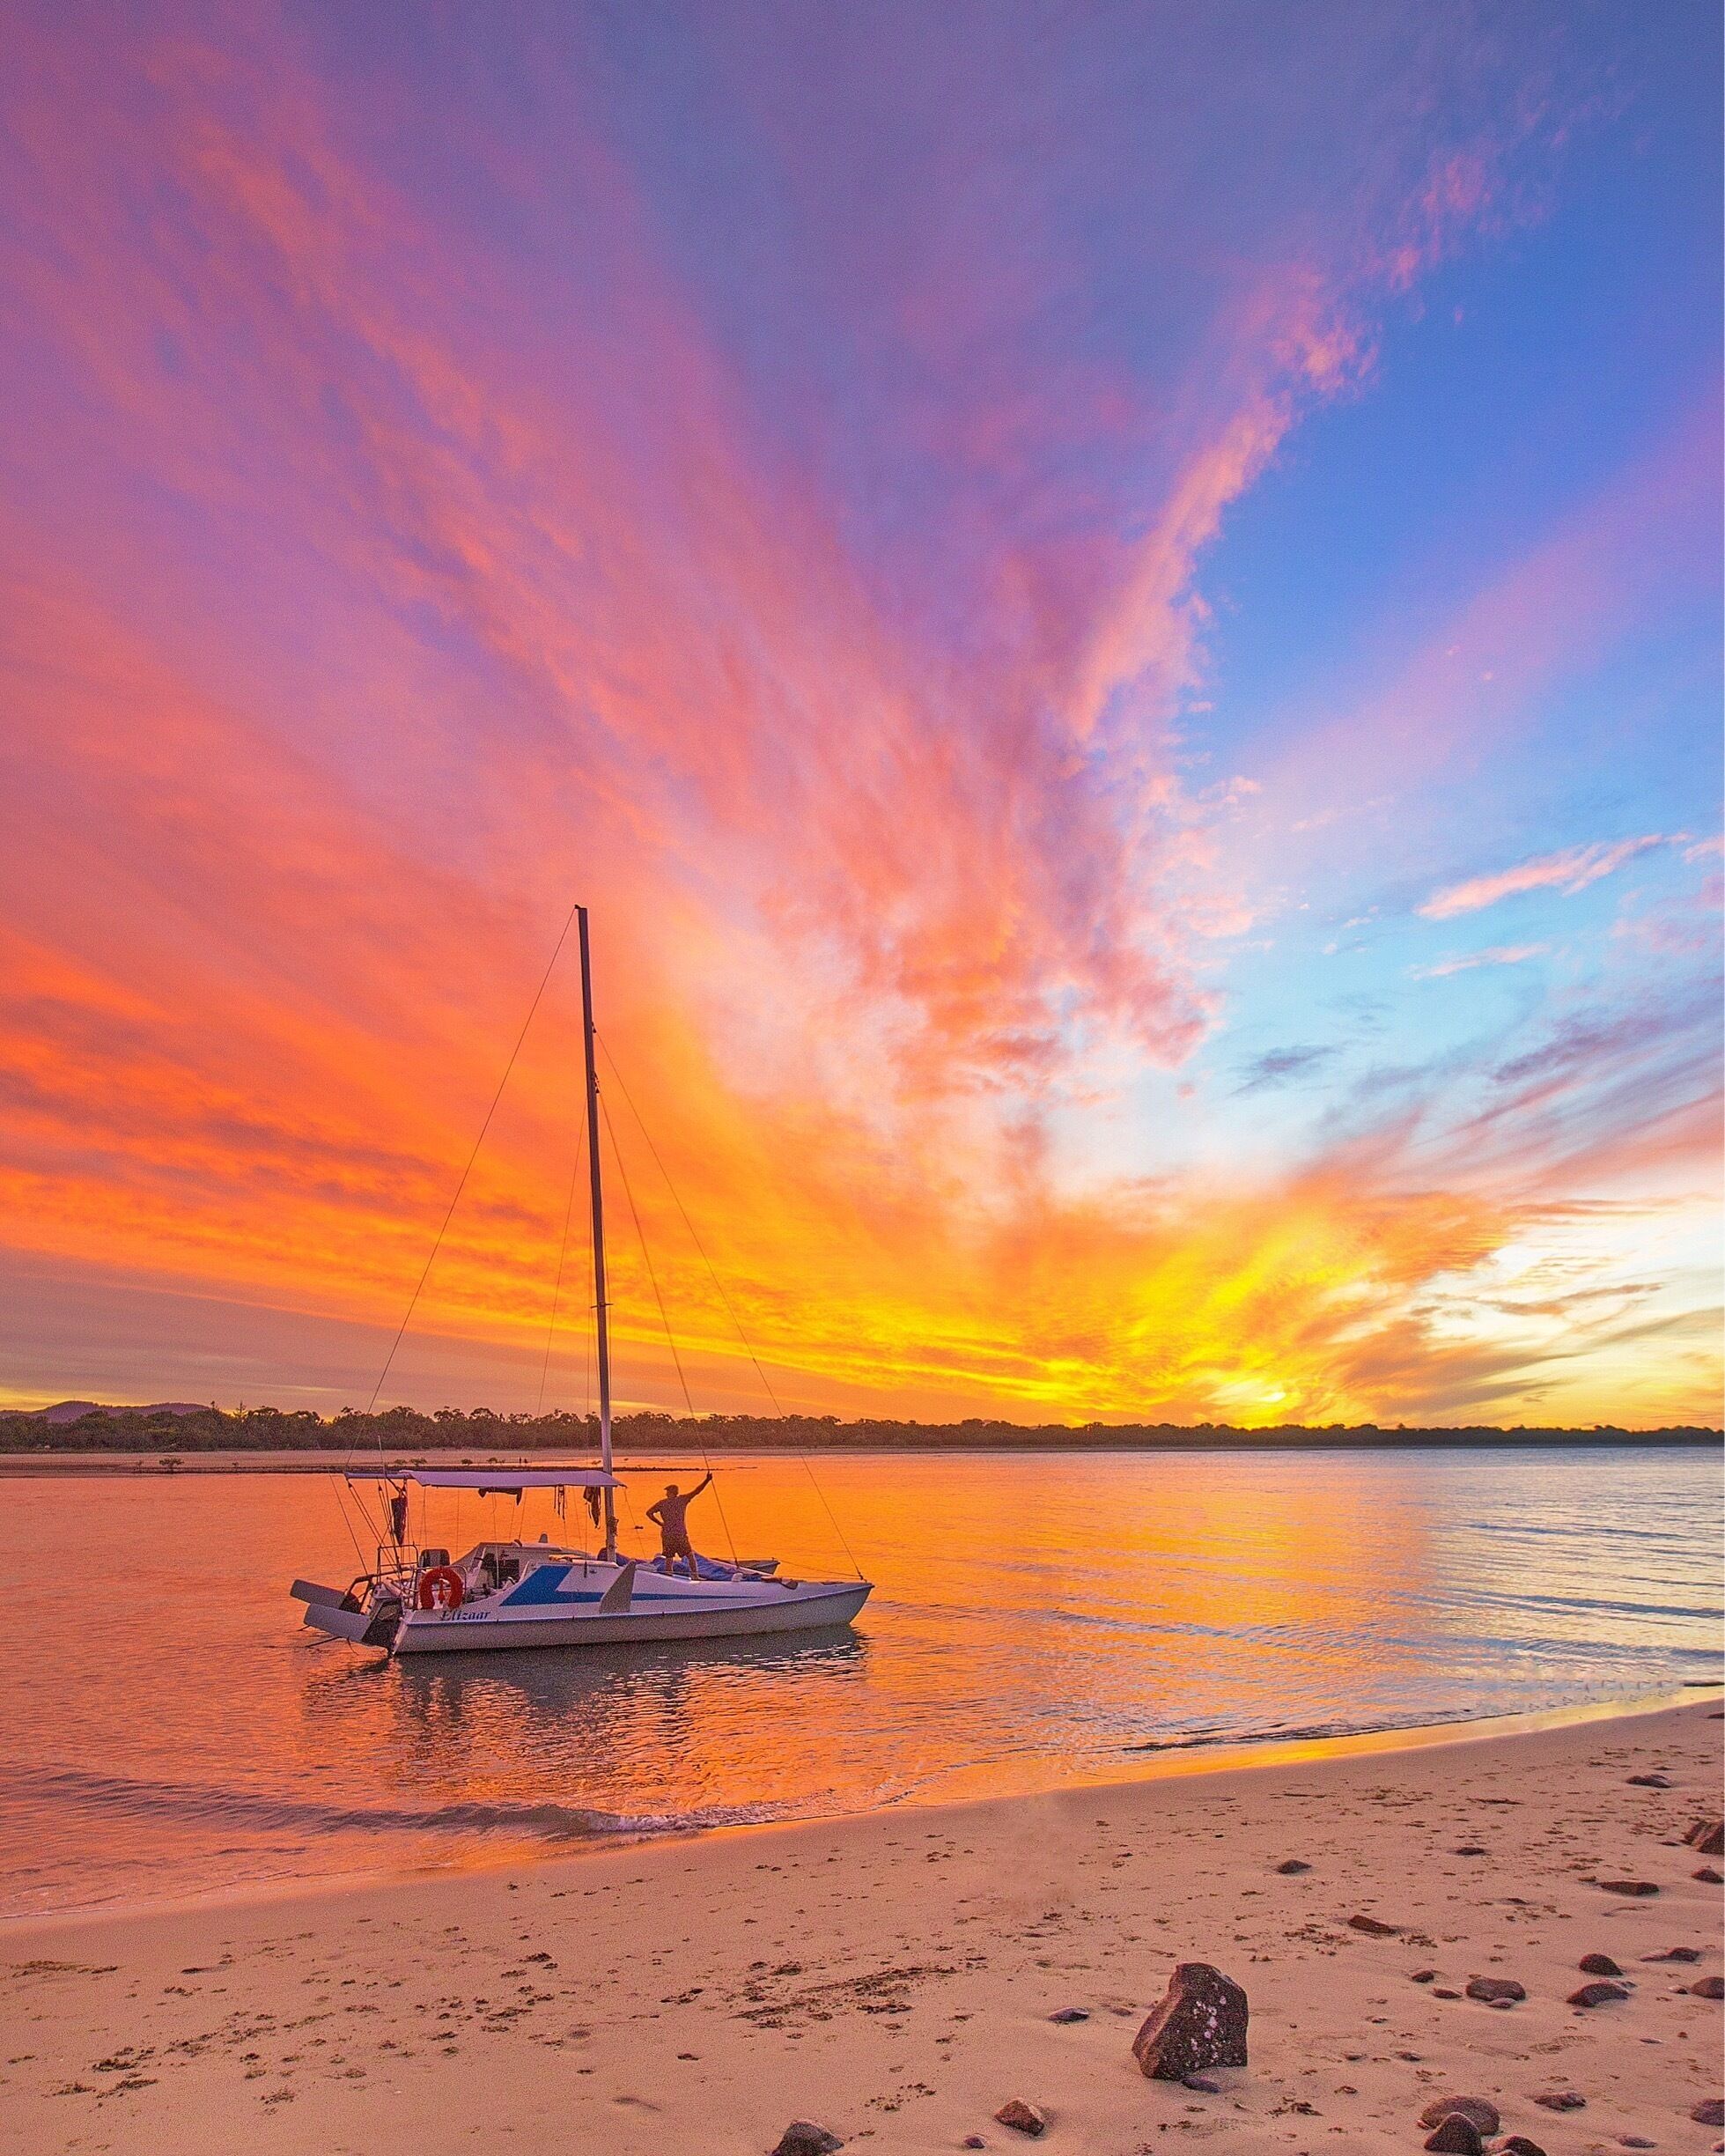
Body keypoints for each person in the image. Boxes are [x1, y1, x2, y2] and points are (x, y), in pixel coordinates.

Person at [645, 1473, 713, 1579]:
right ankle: (694, 1576)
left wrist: (660, 1524)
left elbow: (649, 1513)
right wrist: (707, 1480)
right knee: (688, 1555)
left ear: (672, 1492)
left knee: (670, 1557)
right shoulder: (682, 1500)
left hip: (668, 1534)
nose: (666, 1494)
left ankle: (669, 1575)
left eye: (667, 1492)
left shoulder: (664, 1503)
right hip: (678, 1535)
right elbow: (697, 1491)